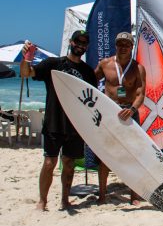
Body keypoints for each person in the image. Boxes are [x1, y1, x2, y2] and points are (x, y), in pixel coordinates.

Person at [20, 31, 97, 211]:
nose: (80, 45)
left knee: (69, 164)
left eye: (84, 42)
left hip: (75, 126)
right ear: (71, 42)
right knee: (49, 163)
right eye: (78, 41)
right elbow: (26, 73)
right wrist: (27, 58)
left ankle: (64, 200)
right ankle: (42, 201)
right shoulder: (53, 64)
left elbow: (93, 100)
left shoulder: (88, 72)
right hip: (54, 123)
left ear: (87, 46)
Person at [94, 32, 146, 205]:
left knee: (133, 155)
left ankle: (134, 195)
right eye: (120, 44)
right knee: (104, 155)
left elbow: (141, 93)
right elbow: (89, 83)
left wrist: (132, 109)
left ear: (132, 47)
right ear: (115, 45)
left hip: (129, 113)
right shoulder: (105, 64)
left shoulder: (138, 68)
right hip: (109, 113)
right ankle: (102, 195)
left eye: (127, 44)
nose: (123, 47)